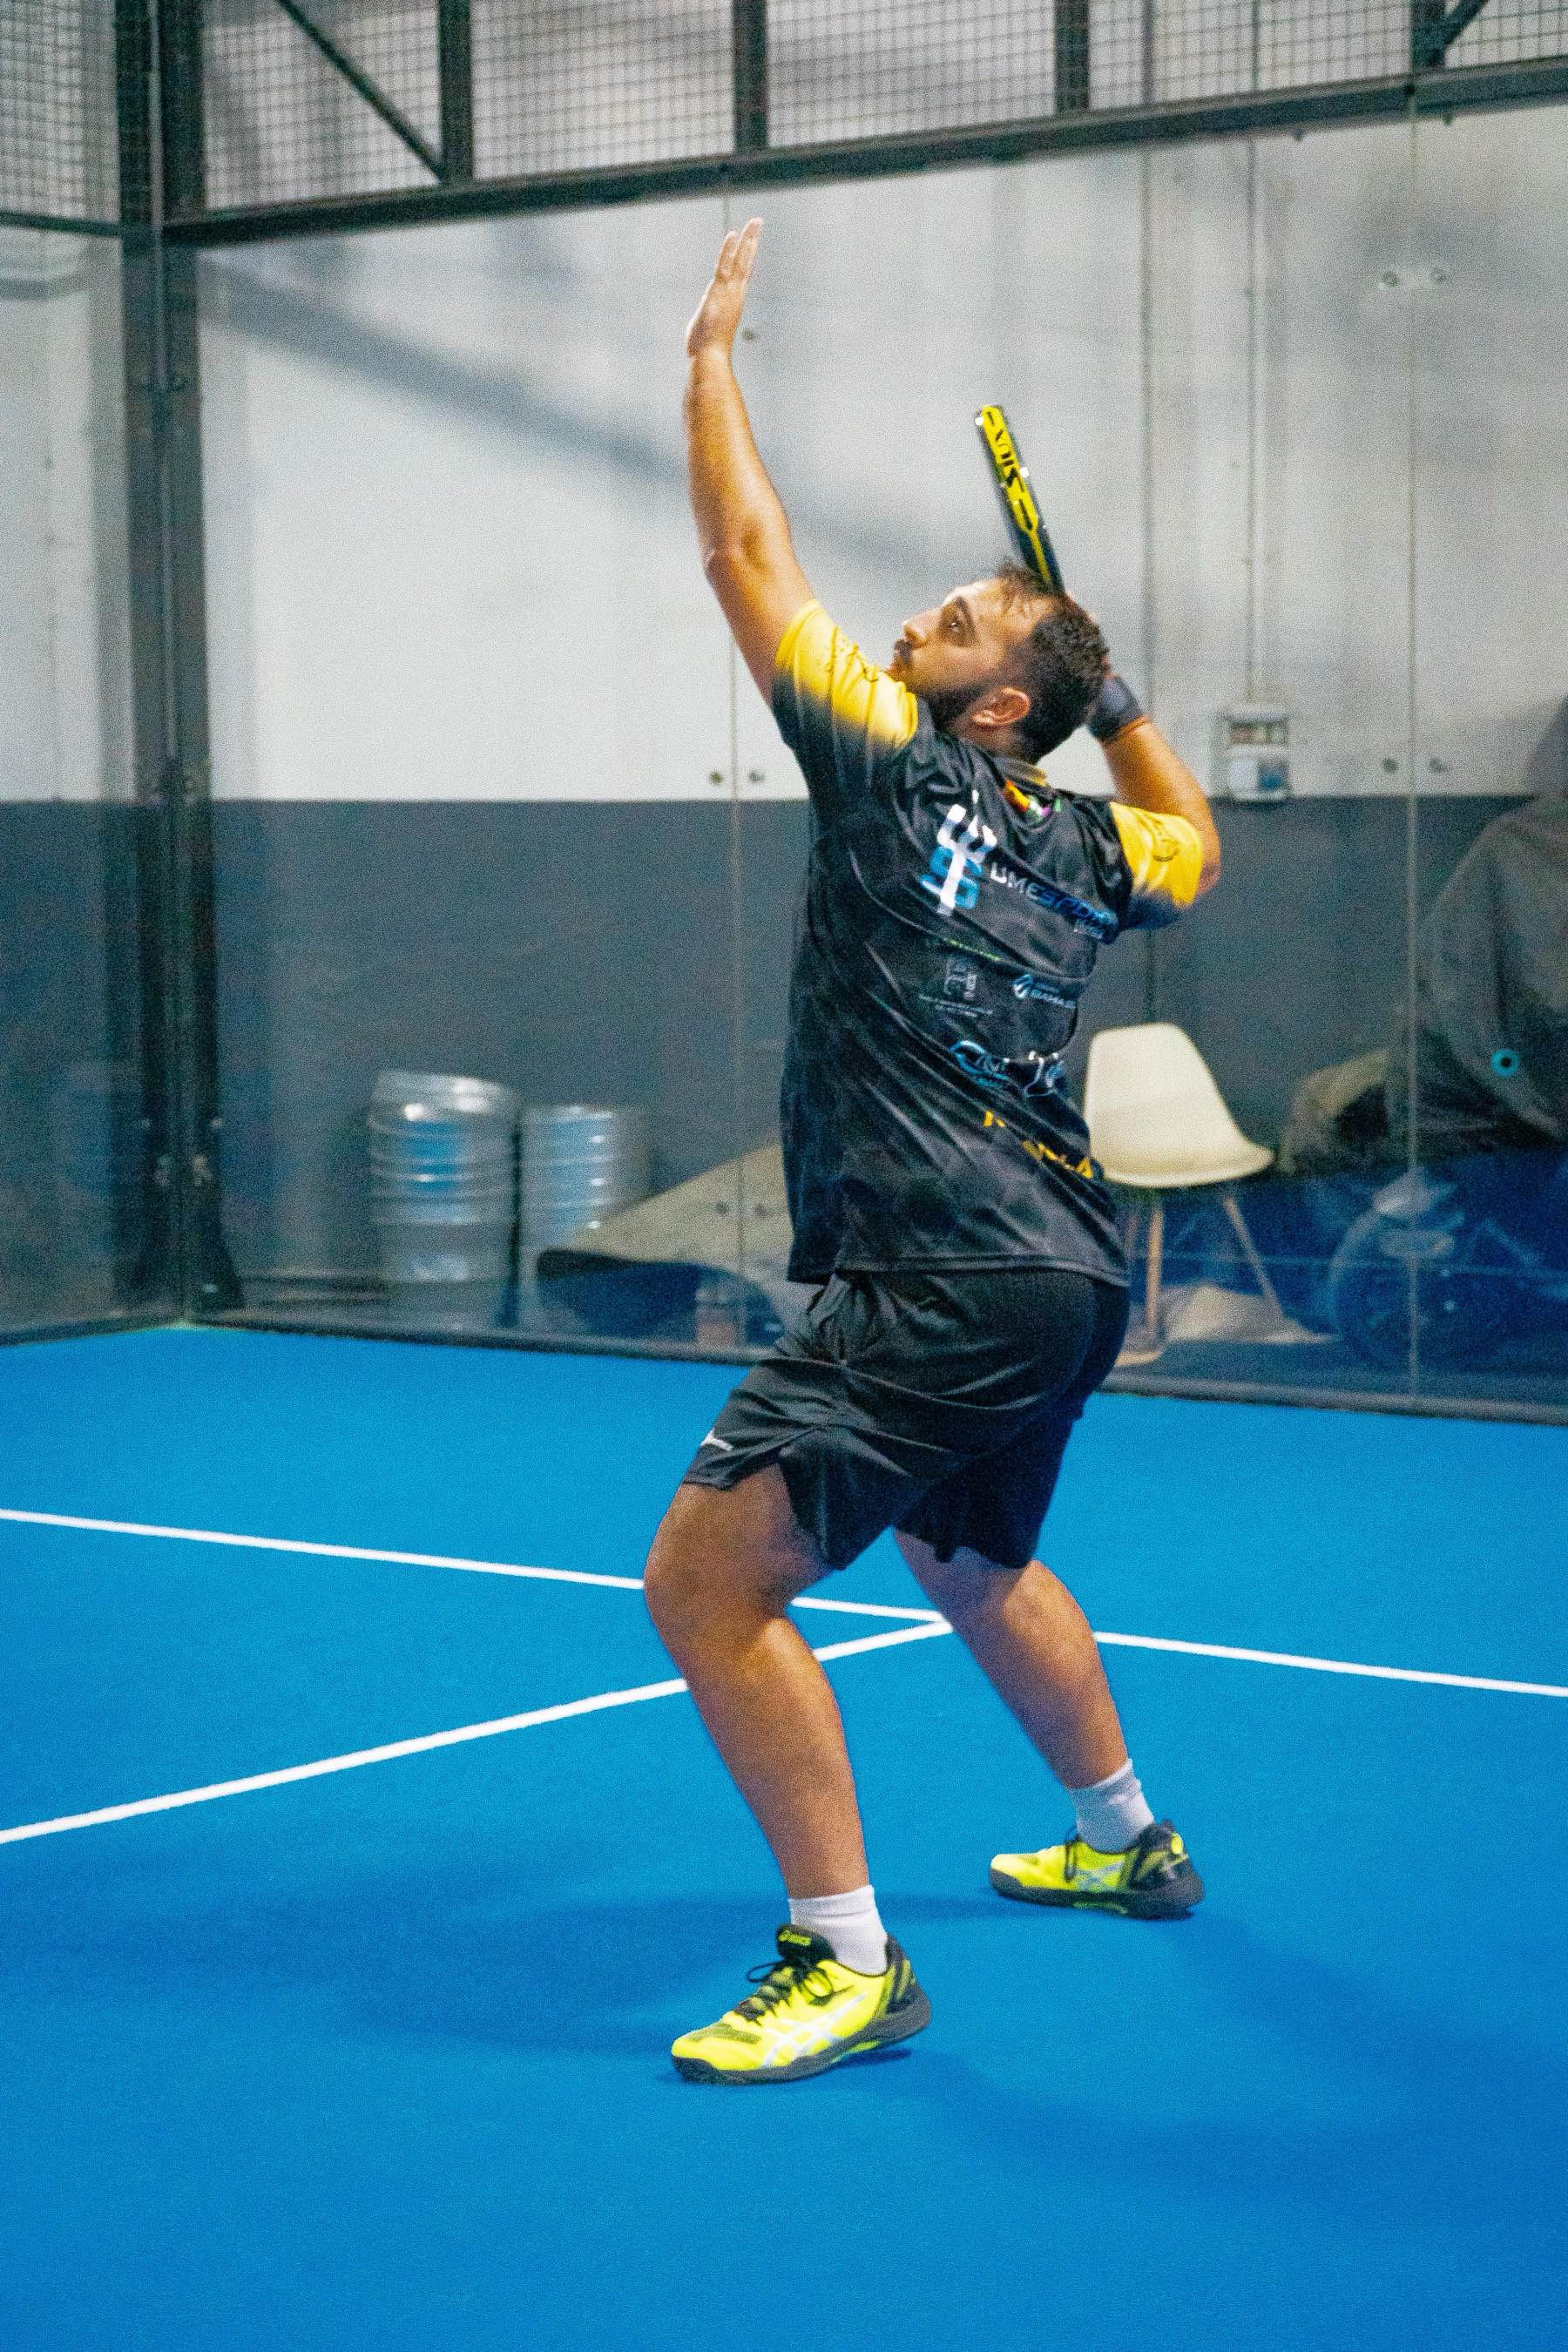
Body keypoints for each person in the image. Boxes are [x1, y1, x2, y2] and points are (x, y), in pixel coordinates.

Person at [644, 219, 1223, 2086]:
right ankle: (1129, 1839)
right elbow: (1200, 844)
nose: (913, 625)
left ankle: (844, 1957)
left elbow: (745, 555)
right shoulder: (1092, 844)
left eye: (955, 623)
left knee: (705, 1584)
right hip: (1066, 1275)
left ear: (990, 709)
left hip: (942, 1272)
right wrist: (1121, 711)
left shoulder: (896, 767)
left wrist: (709, 363)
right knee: (971, 1560)